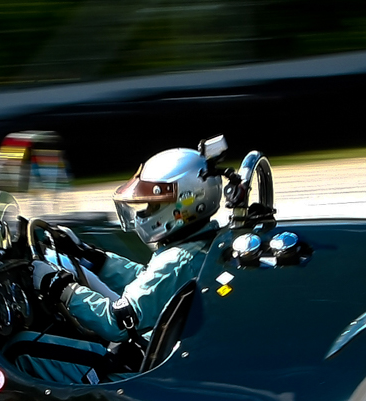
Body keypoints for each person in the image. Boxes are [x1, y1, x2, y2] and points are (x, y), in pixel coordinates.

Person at [18, 142, 224, 383]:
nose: (142, 213)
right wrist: (93, 258)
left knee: (21, 349)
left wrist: (61, 288)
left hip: (140, 372)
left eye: (153, 205)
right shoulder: (195, 247)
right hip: (151, 353)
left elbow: (116, 323)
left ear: (185, 203)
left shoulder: (178, 261)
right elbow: (149, 281)